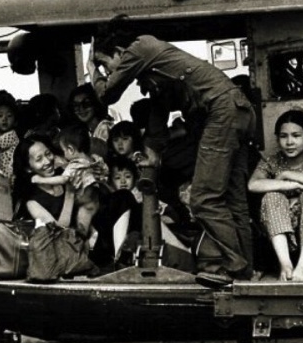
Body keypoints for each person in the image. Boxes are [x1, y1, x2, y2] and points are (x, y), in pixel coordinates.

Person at [90, 18, 256, 288]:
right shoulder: (156, 64)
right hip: (236, 110)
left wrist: (91, 72)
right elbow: (159, 111)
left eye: (103, 64)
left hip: (221, 112)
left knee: (203, 199)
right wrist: (151, 152)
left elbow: (107, 94)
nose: (106, 71)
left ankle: (234, 268)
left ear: (119, 52)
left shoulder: (140, 47)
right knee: (232, 200)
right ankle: (246, 272)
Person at [248, 110, 303, 282]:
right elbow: (253, 184)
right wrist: (292, 185)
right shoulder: (271, 161)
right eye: (283, 136)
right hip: (278, 237)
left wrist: (287, 174)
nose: (289, 142)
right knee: (272, 196)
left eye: (296, 136)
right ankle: (285, 265)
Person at [30, 124, 109, 238]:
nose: (63, 155)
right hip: (93, 200)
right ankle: (89, 236)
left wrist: (42, 180)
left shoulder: (74, 165)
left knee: (80, 229)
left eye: (63, 151)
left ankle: (81, 237)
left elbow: (63, 179)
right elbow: (105, 173)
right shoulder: (93, 160)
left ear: (71, 150)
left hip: (82, 198)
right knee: (84, 222)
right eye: (39, 159)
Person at [66, 84, 113, 158]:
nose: (81, 109)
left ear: (95, 104)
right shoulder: (85, 131)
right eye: (76, 106)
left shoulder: (104, 127)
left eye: (86, 104)